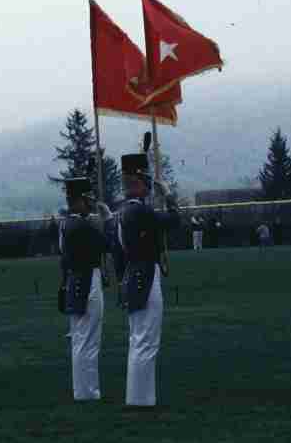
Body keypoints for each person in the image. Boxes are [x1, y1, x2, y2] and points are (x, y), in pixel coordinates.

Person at [118, 152, 180, 408]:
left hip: (134, 275)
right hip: (145, 275)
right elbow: (174, 221)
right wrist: (169, 196)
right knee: (146, 341)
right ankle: (141, 400)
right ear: (141, 181)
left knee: (139, 339)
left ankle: (138, 397)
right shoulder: (139, 211)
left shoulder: (126, 210)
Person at [60, 177, 109, 401]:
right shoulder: (82, 224)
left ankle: (84, 390)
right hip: (88, 279)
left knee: (81, 338)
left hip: (74, 280)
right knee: (88, 340)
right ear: (79, 199)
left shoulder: (67, 223)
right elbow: (107, 244)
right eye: (87, 198)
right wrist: (107, 218)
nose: (90, 202)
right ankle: (87, 391)